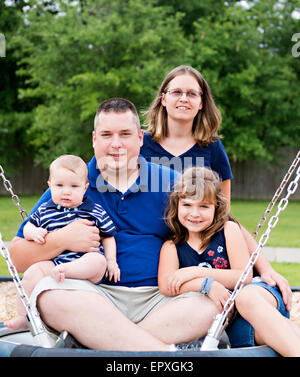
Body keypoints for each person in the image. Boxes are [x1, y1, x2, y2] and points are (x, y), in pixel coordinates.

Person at [8, 97, 220, 351]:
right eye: (107, 134)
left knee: (209, 306)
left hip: (160, 299)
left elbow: (223, 226)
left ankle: (95, 341)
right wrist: (62, 239)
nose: (116, 144)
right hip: (91, 296)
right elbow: (17, 259)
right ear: (94, 139)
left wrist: (264, 268)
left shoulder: (172, 181)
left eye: (125, 134)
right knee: (51, 297)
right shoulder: (72, 184)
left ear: (140, 138)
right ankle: (164, 353)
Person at [141, 64, 292, 312]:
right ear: (163, 98)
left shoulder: (211, 149)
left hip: (193, 255)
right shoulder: (141, 145)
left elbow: (224, 219)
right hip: (154, 250)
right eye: (176, 91)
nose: (184, 98)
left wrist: (265, 268)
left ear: (201, 103)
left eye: (192, 93)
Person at [159, 166, 300, 357]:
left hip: (258, 294)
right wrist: (206, 284)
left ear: (216, 207)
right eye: (187, 205)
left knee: (245, 297)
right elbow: (168, 285)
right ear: (176, 205)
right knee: (264, 335)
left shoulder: (228, 230)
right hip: (233, 320)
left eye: (204, 206)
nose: (195, 213)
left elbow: (243, 277)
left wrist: (195, 272)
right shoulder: (172, 246)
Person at [5, 154, 119, 331]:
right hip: (54, 263)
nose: (66, 191)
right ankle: (23, 317)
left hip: (85, 264)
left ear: (85, 188)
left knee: (99, 261)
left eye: (74, 186)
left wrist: (112, 261)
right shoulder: (45, 210)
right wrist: (33, 232)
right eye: (59, 185)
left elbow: (108, 236)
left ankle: (68, 271)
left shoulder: (93, 210)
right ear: (50, 186)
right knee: (32, 272)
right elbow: (28, 227)